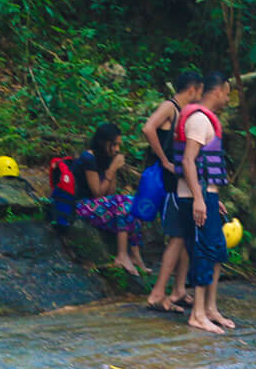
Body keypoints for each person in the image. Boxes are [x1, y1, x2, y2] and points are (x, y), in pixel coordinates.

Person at [176, 72, 233, 334]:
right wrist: (200, 198)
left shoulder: (208, 121)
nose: (228, 98)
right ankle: (197, 314)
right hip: (194, 197)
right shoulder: (199, 120)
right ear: (217, 91)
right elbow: (189, 161)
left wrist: (213, 199)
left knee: (218, 249)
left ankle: (210, 308)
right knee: (203, 251)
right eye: (227, 92)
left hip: (206, 195)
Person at [144, 70, 204, 313]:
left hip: (177, 180)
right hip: (168, 181)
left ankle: (178, 289)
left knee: (184, 234)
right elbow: (148, 128)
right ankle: (158, 294)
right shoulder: (170, 107)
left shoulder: (183, 111)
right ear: (193, 89)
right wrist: (164, 160)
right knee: (178, 236)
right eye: (200, 91)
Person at [74, 124, 145, 275]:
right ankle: (121, 256)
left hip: (98, 205)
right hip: (82, 205)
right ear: (103, 142)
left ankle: (135, 256)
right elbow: (97, 194)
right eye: (114, 144)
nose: (117, 148)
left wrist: (112, 168)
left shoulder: (105, 158)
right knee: (124, 203)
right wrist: (112, 169)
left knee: (132, 203)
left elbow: (110, 194)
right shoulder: (89, 158)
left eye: (118, 145)